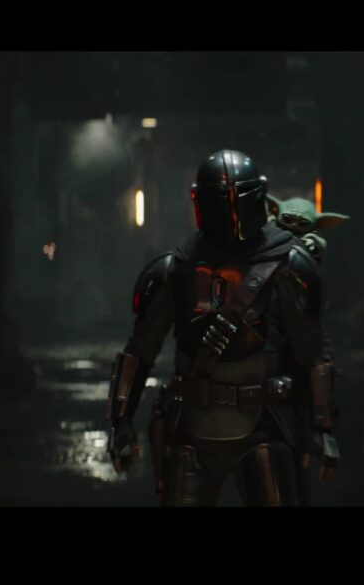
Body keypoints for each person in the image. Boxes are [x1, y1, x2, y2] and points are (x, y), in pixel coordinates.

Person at [106, 150, 339, 506]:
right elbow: (139, 352)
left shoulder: (286, 266)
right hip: (197, 424)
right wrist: (120, 421)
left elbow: (312, 354)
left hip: (262, 423)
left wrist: (323, 426)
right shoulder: (177, 270)